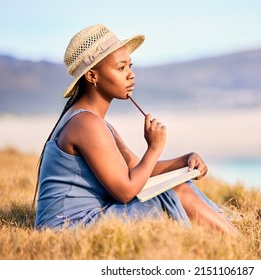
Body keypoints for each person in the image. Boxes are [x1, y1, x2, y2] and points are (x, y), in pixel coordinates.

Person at [33, 24, 238, 235]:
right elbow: (125, 191)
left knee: (181, 184)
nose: (131, 75)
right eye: (121, 68)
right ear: (92, 76)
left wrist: (184, 161)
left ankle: (228, 230)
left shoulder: (95, 122)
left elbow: (136, 169)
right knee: (177, 191)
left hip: (85, 219)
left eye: (130, 66)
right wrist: (154, 148)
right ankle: (237, 243)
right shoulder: (86, 124)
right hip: (69, 228)